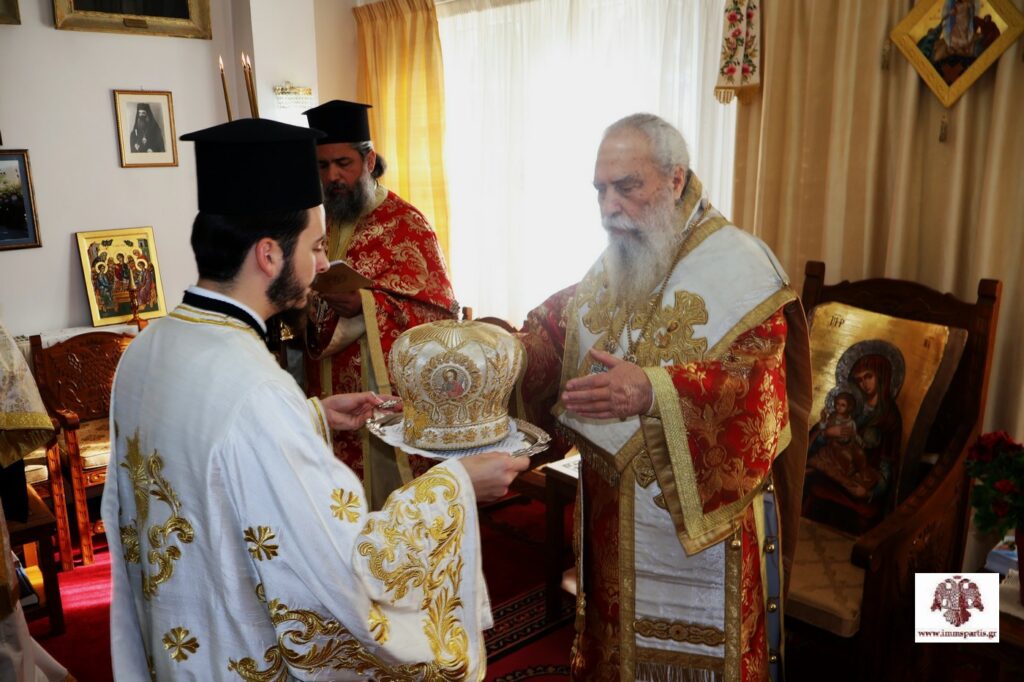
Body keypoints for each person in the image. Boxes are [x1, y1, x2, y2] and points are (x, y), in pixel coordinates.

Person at [101, 118, 528, 680]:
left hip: (179, 640)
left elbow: (206, 452)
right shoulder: (257, 390)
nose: (324, 265)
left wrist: (310, 417)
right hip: (238, 651)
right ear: (269, 255)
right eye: (317, 245)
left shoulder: (148, 347)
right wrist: (457, 487)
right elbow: (342, 566)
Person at [515, 114, 811, 681]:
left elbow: (758, 392)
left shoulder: (743, 268)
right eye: (601, 190)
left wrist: (654, 390)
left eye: (627, 186)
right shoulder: (626, 252)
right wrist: (505, 353)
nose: (609, 207)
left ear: (676, 180)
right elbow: (564, 327)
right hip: (612, 520)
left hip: (705, 533)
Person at [302, 100, 459, 507]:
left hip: (379, 401)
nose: (332, 177)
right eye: (322, 166)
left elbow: (441, 315)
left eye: (343, 163)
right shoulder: (315, 221)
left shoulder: (407, 224)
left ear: (369, 160)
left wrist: (366, 306)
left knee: (387, 509)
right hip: (325, 389)